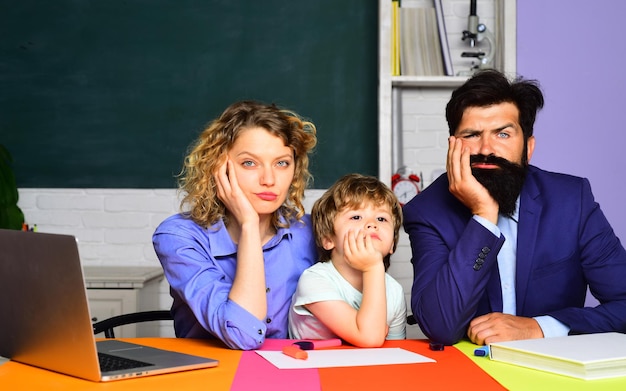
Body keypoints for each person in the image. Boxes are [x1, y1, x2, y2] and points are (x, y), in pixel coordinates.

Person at [403, 69, 626, 346]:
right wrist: (484, 216)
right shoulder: (427, 212)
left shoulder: (572, 201)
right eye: (471, 135)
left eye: (503, 134)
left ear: (528, 148)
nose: (486, 148)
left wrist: (538, 328)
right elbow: (440, 326)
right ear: (452, 147)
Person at [153, 100, 317, 350]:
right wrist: (249, 224)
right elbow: (243, 335)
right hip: (211, 378)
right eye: (249, 163)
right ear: (218, 167)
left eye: (281, 163)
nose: (269, 179)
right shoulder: (178, 237)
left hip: (294, 374)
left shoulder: (311, 231)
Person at [289, 173, 407, 347]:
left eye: (381, 218)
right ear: (329, 239)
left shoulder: (395, 292)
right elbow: (369, 338)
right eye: (356, 217)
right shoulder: (314, 280)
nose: (372, 224)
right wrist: (373, 268)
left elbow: (396, 352)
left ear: (392, 245)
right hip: (316, 371)